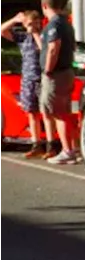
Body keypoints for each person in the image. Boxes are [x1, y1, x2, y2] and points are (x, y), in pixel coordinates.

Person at [38, 0, 79, 164]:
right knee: (65, 111)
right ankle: (72, 147)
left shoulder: (54, 25)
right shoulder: (66, 23)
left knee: (57, 113)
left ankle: (67, 150)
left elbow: (54, 48)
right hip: (66, 71)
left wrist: (48, 69)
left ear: (44, 6)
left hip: (57, 74)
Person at [0, 10, 46, 157]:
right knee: (31, 112)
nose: (34, 25)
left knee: (47, 112)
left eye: (36, 22)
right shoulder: (22, 38)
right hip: (27, 79)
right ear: (25, 25)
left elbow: (44, 49)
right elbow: (2, 31)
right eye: (30, 23)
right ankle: (36, 144)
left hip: (43, 79)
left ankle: (51, 144)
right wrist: (15, 19)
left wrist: (35, 33)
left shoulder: (45, 35)